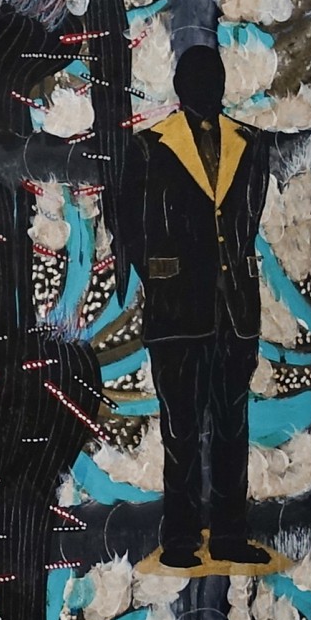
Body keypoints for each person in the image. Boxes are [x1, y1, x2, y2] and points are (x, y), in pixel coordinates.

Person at [120, 43, 271, 570]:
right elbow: (129, 227)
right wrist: (162, 278)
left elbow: (247, 218)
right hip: (176, 316)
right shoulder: (147, 147)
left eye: (214, 79)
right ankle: (181, 540)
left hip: (236, 314)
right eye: (198, 79)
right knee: (180, 431)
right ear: (180, 88)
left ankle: (229, 536)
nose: (208, 88)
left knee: (232, 429)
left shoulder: (250, 143)